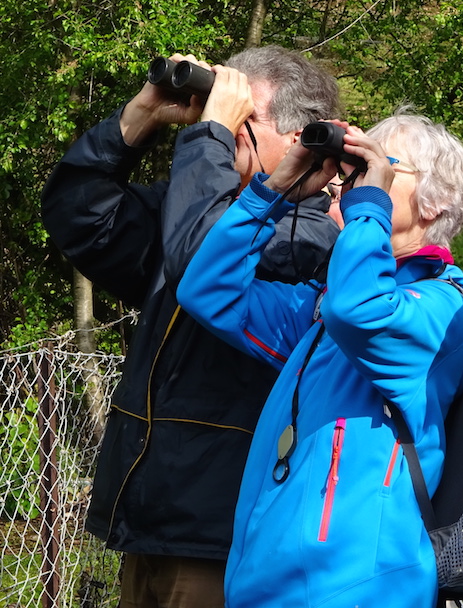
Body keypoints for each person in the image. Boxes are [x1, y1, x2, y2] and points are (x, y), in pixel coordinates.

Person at [41, 46, 341, 608]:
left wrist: (209, 139)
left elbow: (204, 261)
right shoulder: (194, 211)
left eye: (243, 117)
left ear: (300, 138)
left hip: (222, 538)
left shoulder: (315, 235)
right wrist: (141, 117)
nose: (223, 126)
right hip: (149, 523)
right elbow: (79, 218)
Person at [174, 109, 463, 607]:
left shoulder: (444, 308)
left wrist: (369, 206)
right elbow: (208, 292)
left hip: (363, 590)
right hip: (267, 586)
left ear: (437, 200)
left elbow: (361, 311)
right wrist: (273, 191)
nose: (352, 182)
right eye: (354, 170)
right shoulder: (325, 307)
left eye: (381, 167)